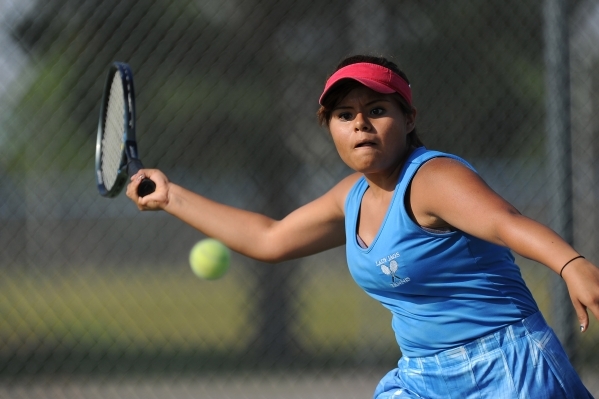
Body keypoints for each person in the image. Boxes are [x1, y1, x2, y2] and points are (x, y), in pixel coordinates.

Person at [126, 54, 599, 398]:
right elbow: (268, 238)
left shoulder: (432, 177)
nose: (361, 125)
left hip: (507, 368)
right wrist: (171, 197)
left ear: (408, 118)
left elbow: (506, 223)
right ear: (328, 125)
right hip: (421, 379)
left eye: (377, 110)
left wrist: (571, 263)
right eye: (344, 114)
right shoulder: (350, 196)